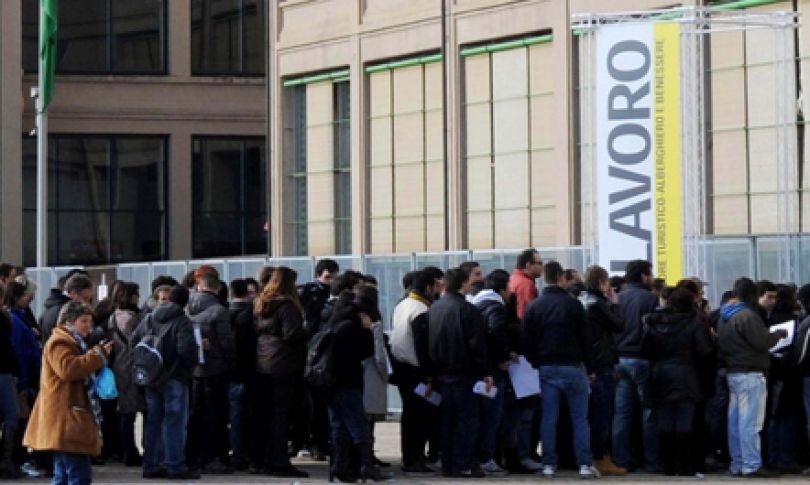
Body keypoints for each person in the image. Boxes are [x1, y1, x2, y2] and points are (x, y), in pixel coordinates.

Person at [23, 301, 113, 485]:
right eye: (83, 321)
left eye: (89, 321)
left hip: (67, 416)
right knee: (78, 475)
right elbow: (68, 369)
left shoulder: (72, 341)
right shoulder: (60, 341)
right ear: (69, 321)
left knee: (64, 475)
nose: (88, 326)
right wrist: (98, 355)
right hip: (66, 417)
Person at [523, 261, 598, 479]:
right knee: (580, 418)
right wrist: (591, 367)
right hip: (573, 366)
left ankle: (548, 464)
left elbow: (526, 341)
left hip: (546, 368)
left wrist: (536, 362)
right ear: (561, 278)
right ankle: (584, 464)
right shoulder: (574, 305)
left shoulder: (534, 306)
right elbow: (586, 339)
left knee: (549, 418)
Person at [641, 288, 714, 476]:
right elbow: (704, 351)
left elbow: (646, 349)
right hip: (687, 374)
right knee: (684, 419)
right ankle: (684, 465)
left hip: (661, 374)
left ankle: (667, 464)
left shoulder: (654, 322)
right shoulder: (695, 323)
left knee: (664, 418)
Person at [719, 277, 785, 477]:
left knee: (735, 422)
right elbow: (763, 341)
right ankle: (752, 464)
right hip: (751, 374)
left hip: (733, 372)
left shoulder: (725, 315)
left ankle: (738, 463)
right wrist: (778, 334)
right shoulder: (747, 316)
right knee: (751, 422)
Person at [428, 268, 491, 478]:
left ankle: (447, 463)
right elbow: (477, 344)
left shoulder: (435, 308)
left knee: (446, 421)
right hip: (466, 374)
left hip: (442, 373)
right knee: (466, 421)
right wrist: (485, 371)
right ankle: (462, 463)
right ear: (464, 283)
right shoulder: (467, 309)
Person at [133, 286, 200, 480]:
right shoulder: (182, 321)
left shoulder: (149, 318)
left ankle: (151, 464)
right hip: (174, 376)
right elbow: (185, 349)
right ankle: (174, 465)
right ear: (186, 302)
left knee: (153, 420)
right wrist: (189, 368)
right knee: (175, 421)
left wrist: (145, 365)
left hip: (152, 377)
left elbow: (134, 340)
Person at [325, 287, 387, 483]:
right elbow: (366, 351)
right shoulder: (353, 326)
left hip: (330, 382)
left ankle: (337, 467)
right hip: (348, 381)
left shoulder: (336, 321)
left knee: (338, 426)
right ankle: (366, 466)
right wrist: (368, 330)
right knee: (359, 426)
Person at [252, 267, 309, 478]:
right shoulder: (287, 307)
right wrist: (309, 332)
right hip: (284, 363)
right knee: (282, 415)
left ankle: (264, 459)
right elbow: (292, 334)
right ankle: (280, 461)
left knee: (266, 415)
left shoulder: (262, 304)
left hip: (264, 361)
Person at [389, 271, 438, 475]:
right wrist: (429, 376)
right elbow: (422, 345)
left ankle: (411, 457)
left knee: (410, 416)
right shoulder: (420, 309)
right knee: (418, 418)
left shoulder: (402, 304)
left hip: (401, 367)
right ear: (428, 287)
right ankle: (413, 458)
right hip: (415, 370)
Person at [612, 260, 659, 472]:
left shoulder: (618, 298)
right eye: (650, 274)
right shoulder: (650, 298)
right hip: (642, 358)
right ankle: (651, 460)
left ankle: (620, 459)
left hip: (620, 359)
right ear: (643, 276)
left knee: (622, 413)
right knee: (648, 412)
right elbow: (654, 330)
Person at [579, 265, 626, 476]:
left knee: (588, 414)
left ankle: (589, 456)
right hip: (601, 363)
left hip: (587, 363)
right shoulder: (598, 304)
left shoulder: (581, 300)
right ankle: (600, 457)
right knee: (602, 413)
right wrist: (615, 304)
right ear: (601, 283)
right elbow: (619, 325)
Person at [186, 274, 235, 474]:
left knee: (195, 413)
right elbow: (227, 343)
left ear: (199, 287)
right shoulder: (219, 311)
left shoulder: (186, 308)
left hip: (194, 368)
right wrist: (231, 363)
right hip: (215, 368)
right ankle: (211, 457)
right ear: (218, 288)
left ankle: (192, 455)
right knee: (215, 414)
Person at [471, 269, 514, 476]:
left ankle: (478, 456)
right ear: (502, 289)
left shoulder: (475, 305)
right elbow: (497, 334)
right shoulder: (496, 308)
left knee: (479, 415)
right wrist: (503, 358)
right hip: (492, 371)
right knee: (492, 416)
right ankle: (486, 458)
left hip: (477, 368)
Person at [107, 282, 144, 467]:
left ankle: (127, 451)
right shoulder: (132, 319)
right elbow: (137, 343)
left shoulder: (113, 317)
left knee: (125, 412)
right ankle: (131, 453)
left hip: (119, 366)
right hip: (132, 367)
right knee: (132, 413)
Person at [227, 279, 256, 470]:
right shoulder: (250, 316)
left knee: (235, 416)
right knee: (247, 415)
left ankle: (237, 453)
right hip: (247, 370)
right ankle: (246, 454)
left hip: (229, 371)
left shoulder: (225, 313)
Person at [0, 284, 22, 479]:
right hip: (3, 372)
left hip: (5, 371)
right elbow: (7, 349)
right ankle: (6, 461)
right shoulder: (3, 319)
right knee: (12, 414)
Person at [40, 273, 93, 343]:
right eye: (85, 298)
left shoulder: (48, 310)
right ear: (73, 293)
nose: (86, 303)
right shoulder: (67, 311)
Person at [508, 249, 543, 320]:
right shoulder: (526, 284)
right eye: (539, 263)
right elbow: (526, 314)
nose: (542, 266)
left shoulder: (513, 278)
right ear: (528, 265)